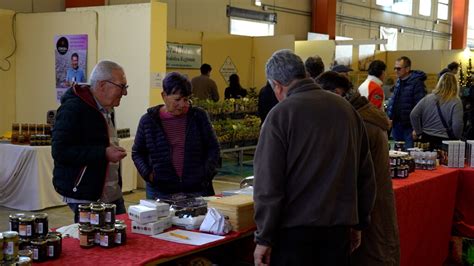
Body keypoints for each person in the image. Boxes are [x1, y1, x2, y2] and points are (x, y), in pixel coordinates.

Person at [253, 50, 376, 266]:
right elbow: (365, 174)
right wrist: (359, 223)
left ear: (277, 85)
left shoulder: (280, 115)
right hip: (338, 231)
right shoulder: (346, 110)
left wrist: (264, 237)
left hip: (294, 235)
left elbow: (268, 183)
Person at [316, 71, 400, 266]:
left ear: (337, 93)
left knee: (371, 254)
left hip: (367, 211)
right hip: (374, 207)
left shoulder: (357, 121)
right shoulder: (363, 114)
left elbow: (352, 175)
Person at [52, 60, 128, 223]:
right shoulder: (73, 109)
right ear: (102, 85)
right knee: (93, 242)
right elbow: (60, 151)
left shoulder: (108, 107)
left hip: (111, 192)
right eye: (122, 87)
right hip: (86, 194)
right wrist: (103, 153)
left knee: (121, 239)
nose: (125, 93)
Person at [132, 72, 220, 199]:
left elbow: (213, 148)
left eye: (186, 99)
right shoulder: (149, 121)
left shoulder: (198, 116)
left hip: (197, 189)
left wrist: (205, 174)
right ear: (164, 96)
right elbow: (137, 152)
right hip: (161, 191)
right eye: (177, 99)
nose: (183, 105)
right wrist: (149, 175)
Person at [411, 72, 463, 150]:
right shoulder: (456, 101)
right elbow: (457, 124)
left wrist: (419, 132)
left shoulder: (428, 98)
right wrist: (456, 137)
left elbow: (413, 114)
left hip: (426, 138)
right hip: (445, 141)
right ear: (455, 85)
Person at [387, 56, 427, 148]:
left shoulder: (417, 83)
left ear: (407, 69)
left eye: (399, 68)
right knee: (397, 154)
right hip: (396, 125)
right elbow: (393, 101)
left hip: (409, 126)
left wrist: (416, 128)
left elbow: (420, 106)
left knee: (408, 154)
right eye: (395, 68)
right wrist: (390, 117)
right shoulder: (398, 82)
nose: (396, 71)